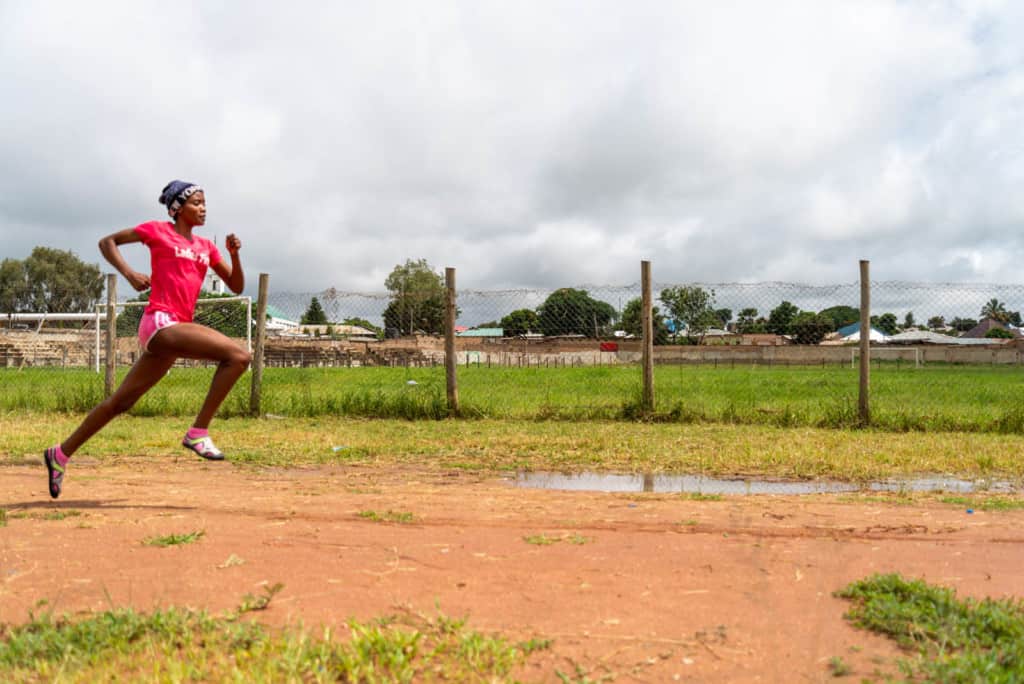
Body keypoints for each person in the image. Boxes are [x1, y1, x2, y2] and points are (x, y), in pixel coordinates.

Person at [43, 180, 252, 499]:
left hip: (176, 329)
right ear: (177, 208)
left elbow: (236, 286)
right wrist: (129, 274)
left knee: (120, 403)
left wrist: (234, 256)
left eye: (205, 202)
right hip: (160, 323)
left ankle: (60, 453)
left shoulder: (206, 249)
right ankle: (197, 433)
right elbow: (107, 241)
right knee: (238, 356)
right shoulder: (157, 231)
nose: (203, 208)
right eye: (196, 202)